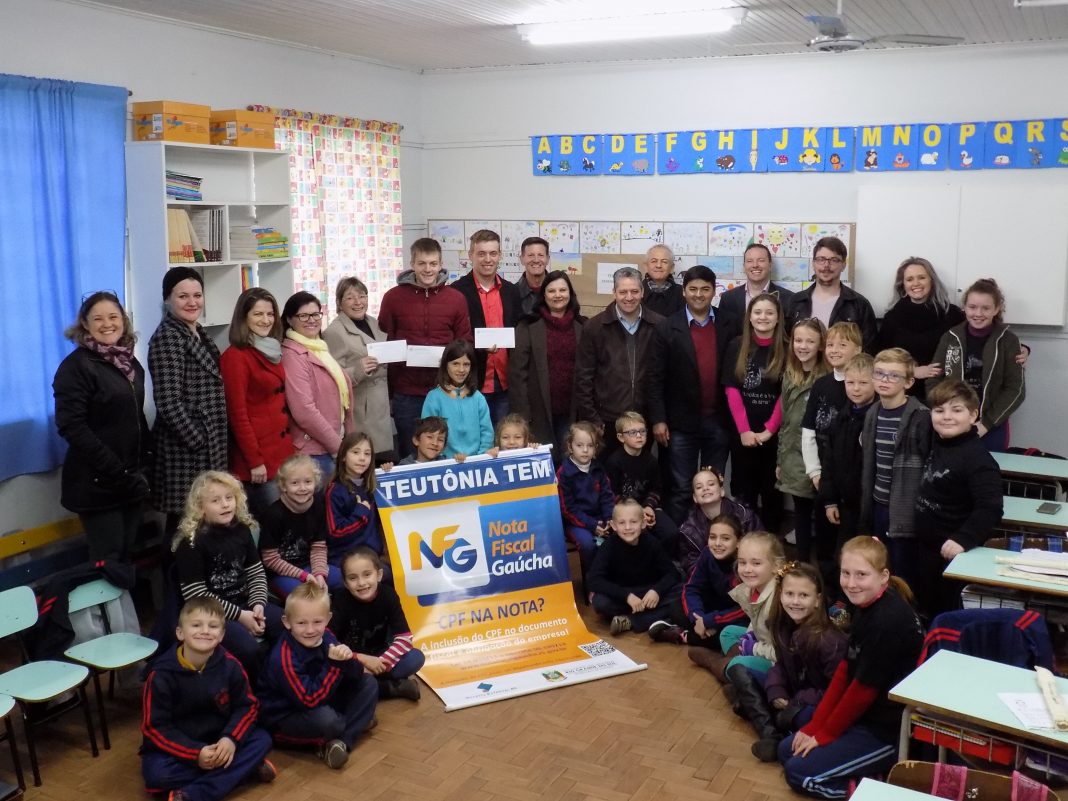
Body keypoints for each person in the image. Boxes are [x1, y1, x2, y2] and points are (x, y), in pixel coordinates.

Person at [778, 537, 924, 799]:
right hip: (862, 718)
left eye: (861, 575)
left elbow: (861, 692)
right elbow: (846, 671)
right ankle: (862, 770)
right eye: (846, 573)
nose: (851, 583)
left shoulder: (886, 621)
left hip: (885, 731)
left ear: (883, 576)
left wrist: (824, 735)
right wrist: (815, 727)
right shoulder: (866, 604)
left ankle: (876, 790)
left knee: (798, 773)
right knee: (786, 750)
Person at [53, 291, 151, 580]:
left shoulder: (128, 363)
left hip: (130, 481)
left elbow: (135, 417)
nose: (107, 324)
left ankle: (126, 609)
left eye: (113, 317)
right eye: (98, 318)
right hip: (97, 484)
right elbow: (72, 427)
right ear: (85, 324)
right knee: (108, 564)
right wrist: (116, 469)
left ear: (123, 320)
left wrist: (145, 464)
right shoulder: (75, 367)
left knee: (126, 557)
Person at [141, 597, 276, 801]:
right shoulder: (161, 674)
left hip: (219, 741)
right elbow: (154, 728)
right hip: (181, 749)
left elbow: (248, 707)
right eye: (196, 625)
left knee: (263, 739)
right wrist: (196, 754)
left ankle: (193, 795)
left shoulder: (231, 666)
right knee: (157, 776)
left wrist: (230, 739)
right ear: (180, 633)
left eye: (213, 626)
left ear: (221, 635)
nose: (205, 631)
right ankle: (243, 770)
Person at [172, 471, 283, 680]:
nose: (225, 504)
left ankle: (279, 678)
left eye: (229, 497)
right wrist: (241, 616)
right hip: (212, 614)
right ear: (200, 507)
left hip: (247, 603)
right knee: (249, 649)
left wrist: (258, 604)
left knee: (288, 625)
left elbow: (256, 572)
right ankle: (253, 689)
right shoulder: (191, 543)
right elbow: (196, 596)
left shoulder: (241, 529)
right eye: (215, 500)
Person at [257, 582, 379, 770]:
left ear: (327, 619)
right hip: (285, 716)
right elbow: (309, 700)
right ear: (287, 622)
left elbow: (354, 676)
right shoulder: (282, 658)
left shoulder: (327, 636)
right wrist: (335, 665)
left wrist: (348, 659)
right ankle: (353, 724)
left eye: (317, 622)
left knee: (368, 683)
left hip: (321, 698)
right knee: (328, 721)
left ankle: (341, 743)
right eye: (301, 623)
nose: (310, 630)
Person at [648, 264, 731, 521]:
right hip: (680, 423)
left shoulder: (729, 324)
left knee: (713, 487)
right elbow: (654, 378)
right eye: (693, 289)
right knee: (681, 487)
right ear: (683, 291)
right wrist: (658, 419)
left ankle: (713, 537)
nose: (698, 294)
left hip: (718, 421)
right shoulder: (666, 327)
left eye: (705, 289)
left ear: (714, 291)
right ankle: (681, 540)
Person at [149, 267, 228, 537]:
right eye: (183, 296)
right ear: (167, 299)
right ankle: (175, 568)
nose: (192, 302)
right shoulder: (168, 337)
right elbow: (168, 402)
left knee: (202, 525)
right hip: (185, 451)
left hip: (208, 445)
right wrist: (198, 440)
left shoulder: (197, 332)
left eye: (197, 295)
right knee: (184, 527)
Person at [914, 380, 1003, 616]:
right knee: (926, 608)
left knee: (944, 613)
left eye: (956, 410)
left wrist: (963, 539)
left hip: (952, 553)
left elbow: (991, 508)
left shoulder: (978, 460)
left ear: (973, 415)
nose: (947, 417)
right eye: (939, 410)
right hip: (927, 547)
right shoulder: (938, 441)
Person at [741, 562, 846, 762]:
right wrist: (776, 690)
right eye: (789, 594)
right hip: (792, 693)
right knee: (740, 669)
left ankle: (768, 720)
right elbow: (780, 665)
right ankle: (771, 734)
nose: (795, 601)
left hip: (812, 703)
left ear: (818, 600)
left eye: (804, 595)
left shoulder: (829, 640)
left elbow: (834, 691)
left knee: (802, 717)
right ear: (780, 595)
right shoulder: (782, 625)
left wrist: (798, 700)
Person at [378, 238, 472, 459]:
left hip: (445, 390)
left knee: (446, 451)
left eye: (433, 263)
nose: (428, 269)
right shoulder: (392, 298)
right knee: (409, 453)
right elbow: (384, 339)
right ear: (412, 263)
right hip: (406, 392)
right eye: (421, 263)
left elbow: (464, 343)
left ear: (441, 264)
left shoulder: (456, 299)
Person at [574, 266, 663, 458]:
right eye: (623, 292)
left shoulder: (659, 325)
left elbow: (665, 376)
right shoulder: (594, 327)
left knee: (640, 472)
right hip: (607, 421)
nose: (629, 297)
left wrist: (659, 418)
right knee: (608, 473)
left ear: (642, 292)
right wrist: (592, 418)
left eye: (634, 291)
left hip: (644, 420)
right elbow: (583, 377)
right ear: (614, 292)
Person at [927, 278, 1025, 452]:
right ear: (964, 307)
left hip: (991, 424)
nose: (978, 313)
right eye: (972, 307)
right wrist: (946, 412)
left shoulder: (1008, 341)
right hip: (952, 422)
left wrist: (986, 424)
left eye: (986, 308)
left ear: (997, 309)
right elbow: (933, 378)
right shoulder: (950, 337)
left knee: (988, 467)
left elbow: (1015, 389)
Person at [861, 348, 932, 585]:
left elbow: (928, 466)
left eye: (894, 375)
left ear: (909, 382)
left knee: (903, 571)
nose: (885, 380)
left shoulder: (921, 417)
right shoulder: (873, 412)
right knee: (880, 564)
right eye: (879, 373)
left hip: (905, 508)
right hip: (878, 503)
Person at [220, 287, 292, 519]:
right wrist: (255, 461)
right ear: (244, 317)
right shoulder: (235, 356)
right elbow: (237, 414)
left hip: (280, 453)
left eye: (270, 314)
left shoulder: (271, 349)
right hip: (258, 459)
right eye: (258, 314)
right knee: (271, 523)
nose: (266, 320)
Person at [722, 293, 787, 533]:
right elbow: (732, 390)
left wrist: (769, 430)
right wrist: (744, 430)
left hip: (774, 435)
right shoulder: (736, 345)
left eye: (770, 313)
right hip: (743, 434)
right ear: (749, 317)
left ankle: (770, 542)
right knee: (744, 491)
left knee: (772, 492)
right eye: (757, 312)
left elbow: (786, 394)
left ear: (778, 318)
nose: (763, 317)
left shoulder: (788, 348)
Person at [509, 270, 585, 462]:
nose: (557, 295)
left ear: (570, 294)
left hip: (573, 412)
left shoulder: (583, 326)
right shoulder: (528, 327)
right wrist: (523, 416)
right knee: (544, 463)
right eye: (551, 291)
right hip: (538, 414)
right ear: (543, 295)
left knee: (570, 462)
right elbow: (517, 375)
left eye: (562, 290)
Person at [331, 546, 425, 701]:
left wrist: (380, 663)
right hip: (353, 659)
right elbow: (330, 642)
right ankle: (392, 688)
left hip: (381, 658)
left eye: (367, 574)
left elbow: (405, 638)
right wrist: (362, 660)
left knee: (415, 658)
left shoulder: (388, 595)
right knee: (336, 672)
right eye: (353, 578)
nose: (361, 583)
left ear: (379, 575)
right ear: (345, 583)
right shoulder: (341, 601)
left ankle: (371, 686)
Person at [690, 531, 783, 682]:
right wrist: (749, 635)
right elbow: (756, 621)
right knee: (728, 632)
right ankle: (732, 672)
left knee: (738, 664)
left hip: (779, 665)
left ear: (776, 566)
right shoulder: (753, 589)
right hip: (764, 643)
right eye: (742, 562)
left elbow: (783, 653)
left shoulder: (779, 603)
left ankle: (717, 664)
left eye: (756, 563)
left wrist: (753, 648)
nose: (747, 569)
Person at [281, 291, 355, 477]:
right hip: (316, 451)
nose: (311, 320)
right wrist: (338, 447)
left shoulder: (319, 347)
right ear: (289, 320)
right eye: (303, 316)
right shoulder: (293, 356)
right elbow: (304, 412)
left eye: (315, 314)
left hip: (335, 445)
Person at [452, 230, 520, 427]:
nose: (488, 259)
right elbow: (454, 338)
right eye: (481, 253)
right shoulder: (456, 292)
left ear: (500, 255)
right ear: (470, 255)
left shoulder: (511, 291)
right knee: (472, 438)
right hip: (471, 382)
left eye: (493, 253)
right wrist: (477, 346)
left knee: (502, 439)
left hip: (506, 384)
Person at [322, 277, 394, 464]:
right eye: (350, 298)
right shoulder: (334, 332)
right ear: (339, 302)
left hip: (384, 404)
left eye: (362, 296)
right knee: (366, 462)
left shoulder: (374, 322)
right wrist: (358, 370)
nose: (358, 302)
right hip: (362, 409)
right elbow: (331, 378)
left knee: (386, 463)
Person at [872, 257, 964, 401]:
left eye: (921, 277)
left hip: (944, 393)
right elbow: (881, 358)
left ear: (932, 281)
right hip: (902, 394)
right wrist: (912, 371)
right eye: (909, 279)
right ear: (903, 285)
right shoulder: (892, 317)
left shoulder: (952, 315)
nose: (916, 283)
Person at [776, 318, 829, 563]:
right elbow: (786, 422)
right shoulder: (790, 375)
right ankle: (802, 564)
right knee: (801, 514)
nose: (803, 346)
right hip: (793, 456)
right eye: (798, 340)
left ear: (821, 345)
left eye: (810, 341)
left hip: (820, 457)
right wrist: (781, 460)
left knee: (824, 515)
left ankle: (825, 569)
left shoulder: (828, 378)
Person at [587, 498, 681, 635]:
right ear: (613, 525)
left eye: (633, 522)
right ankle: (652, 615)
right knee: (600, 602)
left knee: (682, 592)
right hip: (623, 595)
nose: (628, 527)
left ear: (643, 523)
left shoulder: (652, 543)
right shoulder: (608, 547)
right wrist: (626, 596)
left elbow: (672, 573)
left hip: (648, 592)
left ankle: (631, 620)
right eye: (622, 523)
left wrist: (656, 591)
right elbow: (594, 580)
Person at [651, 513, 746, 647]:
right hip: (711, 610)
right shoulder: (707, 553)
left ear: (739, 542)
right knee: (676, 607)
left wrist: (709, 621)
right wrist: (698, 618)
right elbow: (691, 588)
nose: (717, 543)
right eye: (712, 537)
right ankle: (696, 632)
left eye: (725, 538)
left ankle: (683, 636)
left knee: (730, 634)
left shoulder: (745, 564)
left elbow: (746, 609)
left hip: (734, 616)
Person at [819, 354, 877, 555]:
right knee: (843, 555)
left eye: (863, 383)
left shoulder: (877, 418)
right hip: (845, 504)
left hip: (869, 506)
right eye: (850, 382)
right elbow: (829, 461)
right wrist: (830, 500)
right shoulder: (842, 417)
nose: (856, 388)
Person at [259, 454, 338, 598]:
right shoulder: (274, 514)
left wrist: (319, 574)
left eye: (308, 482)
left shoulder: (318, 507)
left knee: (346, 580)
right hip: (281, 573)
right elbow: (270, 559)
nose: (302, 488)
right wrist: (303, 576)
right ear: (284, 486)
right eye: (295, 483)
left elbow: (318, 547)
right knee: (307, 596)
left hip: (310, 565)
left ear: (315, 482)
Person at [604, 411, 678, 555]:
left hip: (648, 508)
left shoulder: (651, 460)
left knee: (671, 533)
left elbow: (656, 489)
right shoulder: (614, 462)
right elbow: (612, 494)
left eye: (642, 431)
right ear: (621, 437)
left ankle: (660, 563)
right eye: (632, 432)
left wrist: (649, 507)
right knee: (641, 537)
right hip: (625, 512)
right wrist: (638, 511)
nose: (639, 435)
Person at [784, 237, 877, 351]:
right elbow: (786, 344)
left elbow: (868, 350)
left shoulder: (859, 304)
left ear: (843, 265)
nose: (826, 265)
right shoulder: (796, 301)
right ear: (813, 264)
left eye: (834, 260)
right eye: (821, 259)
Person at [678, 469, 763, 577]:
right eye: (699, 487)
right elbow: (692, 566)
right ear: (695, 498)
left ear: (722, 491)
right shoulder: (688, 530)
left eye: (711, 484)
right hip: (711, 580)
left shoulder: (744, 516)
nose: (705, 488)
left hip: (747, 575)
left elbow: (762, 548)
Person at [557, 421, 615, 576]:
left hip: (600, 519)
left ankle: (611, 579)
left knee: (619, 536)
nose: (585, 450)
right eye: (579, 445)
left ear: (596, 448)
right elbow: (567, 509)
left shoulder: (598, 468)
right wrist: (592, 525)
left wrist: (609, 519)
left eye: (590, 446)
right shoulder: (564, 473)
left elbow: (607, 497)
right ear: (570, 447)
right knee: (587, 545)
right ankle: (591, 580)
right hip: (575, 524)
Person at [421, 339, 495, 460]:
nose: (461, 370)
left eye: (466, 364)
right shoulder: (434, 397)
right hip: (445, 463)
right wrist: (442, 459)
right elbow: (428, 435)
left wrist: (481, 458)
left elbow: (487, 433)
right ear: (445, 365)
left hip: (476, 462)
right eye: (455, 364)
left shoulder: (478, 398)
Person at [716, 243, 796, 346]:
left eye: (761, 260)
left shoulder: (789, 299)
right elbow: (723, 336)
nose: (755, 265)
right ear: (744, 266)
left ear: (770, 265)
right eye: (750, 261)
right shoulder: (728, 299)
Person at [325, 431, 384, 569]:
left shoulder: (372, 486)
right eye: (356, 452)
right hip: (346, 560)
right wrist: (360, 513)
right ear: (343, 456)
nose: (362, 458)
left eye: (367, 454)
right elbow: (335, 533)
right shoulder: (335, 491)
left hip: (373, 557)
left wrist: (388, 472)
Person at [640, 244, 684, 318]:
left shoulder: (683, 293)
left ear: (672, 268)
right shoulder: (635, 292)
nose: (659, 265)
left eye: (664, 262)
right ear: (646, 266)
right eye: (654, 261)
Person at [516, 236, 550, 315]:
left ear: (547, 259)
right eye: (530, 255)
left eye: (540, 255)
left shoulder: (560, 292)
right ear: (521, 259)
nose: (536, 260)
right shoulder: (512, 293)